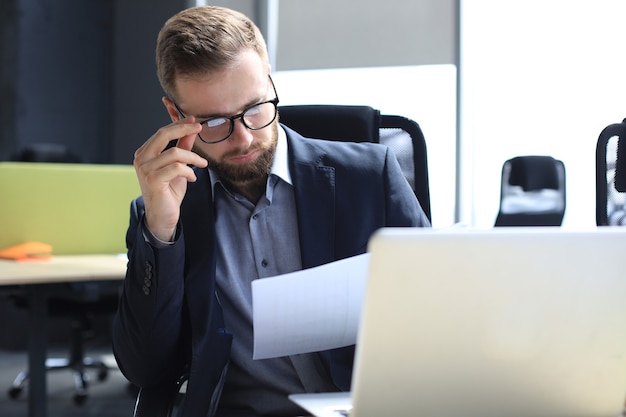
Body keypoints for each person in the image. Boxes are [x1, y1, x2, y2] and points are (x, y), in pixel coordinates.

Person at [112, 5, 430, 417]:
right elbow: (144, 367)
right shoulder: (163, 212)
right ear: (176, 116)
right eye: (213, 123)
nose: (243, 138)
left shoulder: (370, 176)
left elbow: (435, 316)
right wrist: (161, 232)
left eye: (255, 109)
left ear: (270, 82)